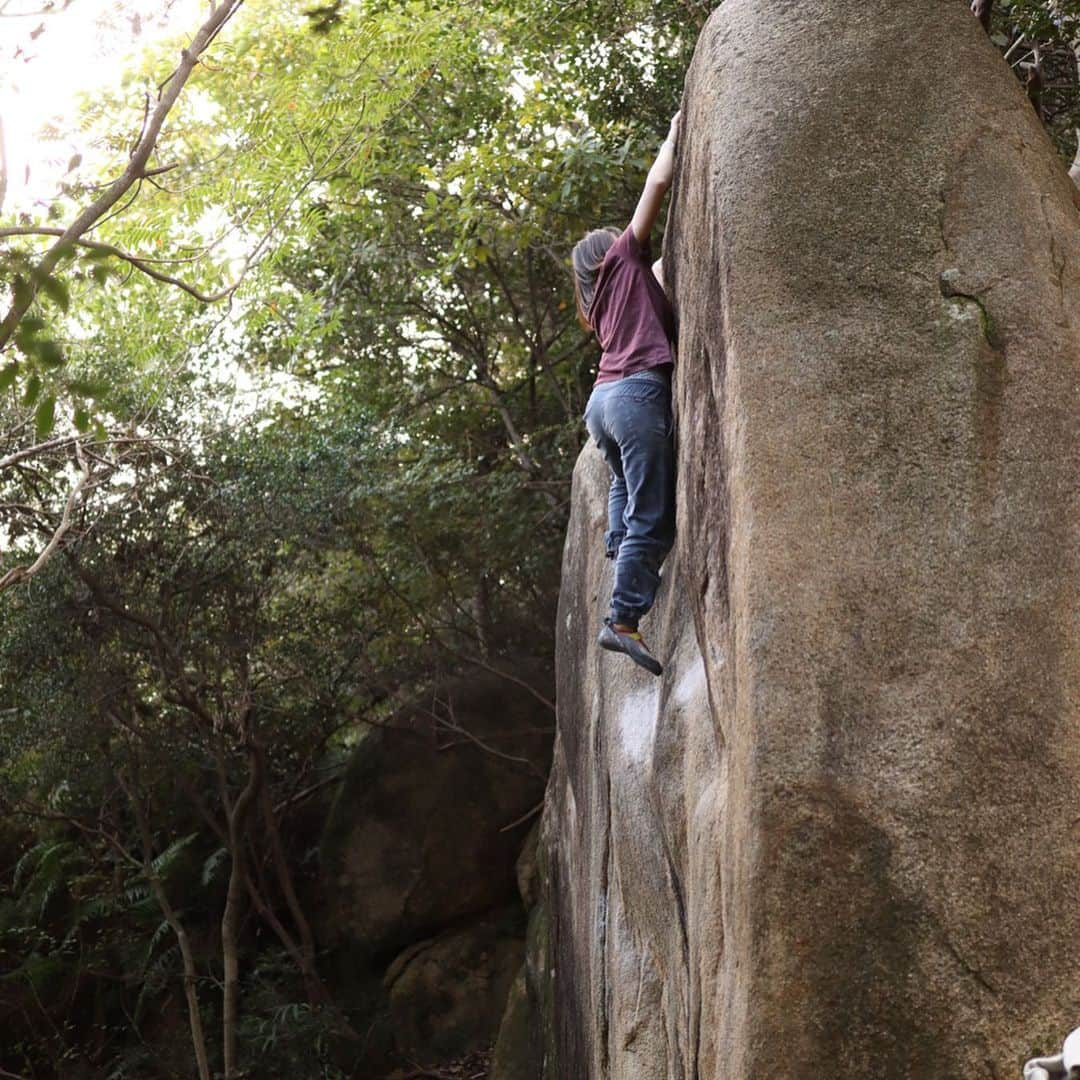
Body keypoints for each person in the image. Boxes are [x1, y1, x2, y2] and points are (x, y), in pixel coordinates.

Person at [571, 110, 681, 677]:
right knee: (653, 516)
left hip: (601, 407)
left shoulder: (603, 299)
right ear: (607, 252)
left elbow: (663, 269)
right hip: (635, 395)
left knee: (622, 487)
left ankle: (618, 546)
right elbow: (656, 185)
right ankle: (622, 618)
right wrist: (672, 135)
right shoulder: (621, 258)